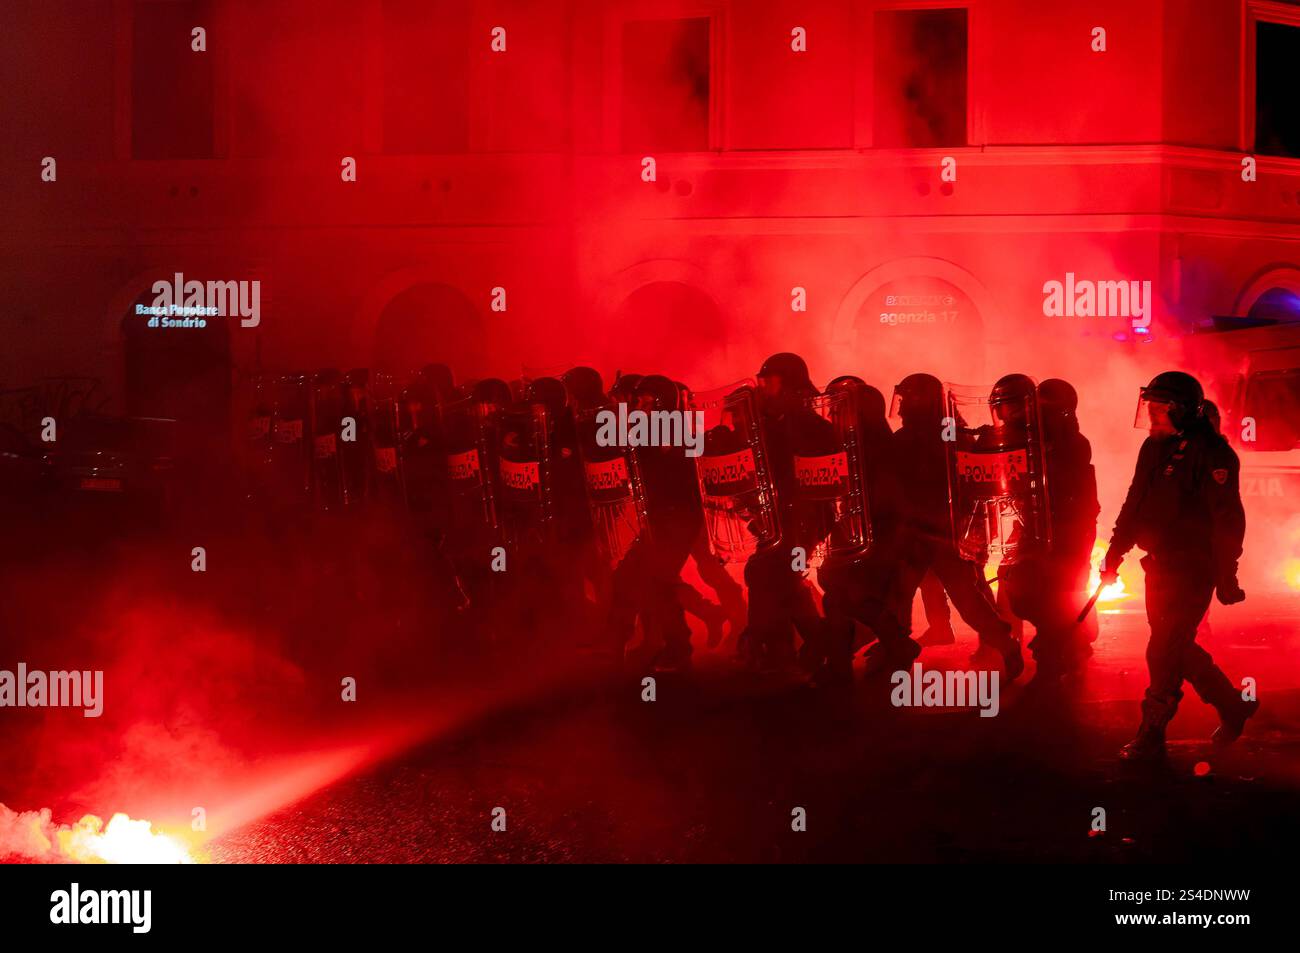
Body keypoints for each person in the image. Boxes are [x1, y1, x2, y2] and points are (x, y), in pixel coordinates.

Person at [1101, 371, 1257, 760]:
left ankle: (1151, 733)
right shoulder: (1153, 448)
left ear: (1184, 410)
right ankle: (1232, 704)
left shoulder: (1214, 454)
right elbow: (1134, 501)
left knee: (1164, 647)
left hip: (1194, 566)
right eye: (1149, 408)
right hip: (1157, 563)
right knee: (1173, 645)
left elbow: (1228, 520)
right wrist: (1114, 552)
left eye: (1160, 410)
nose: (1151, 417)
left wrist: (1227, 574)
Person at [873, 373, 1023, 679]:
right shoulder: (955, 434)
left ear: (919, 400)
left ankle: (1002, 645)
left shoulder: (920, 439)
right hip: (941, 532)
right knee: (956, 597)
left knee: (923, 596)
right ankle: (1004, 645)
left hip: (930, 533)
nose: (900, 410)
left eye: (905, 401)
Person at [606, 375, 705, 671]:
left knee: (657, 580)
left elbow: (684, 477)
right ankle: (622, 641)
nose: (638, 406)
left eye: (645, 401)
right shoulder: (644, 433)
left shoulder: (681, 433)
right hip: (660, 520)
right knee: (629, 575)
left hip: (680, 519)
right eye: (638, 401)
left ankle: (678, 646)